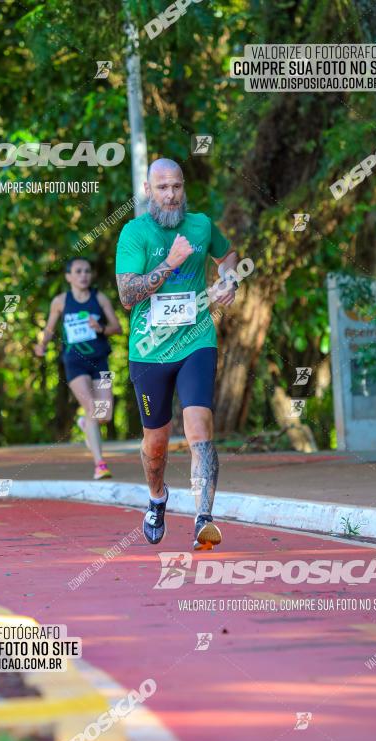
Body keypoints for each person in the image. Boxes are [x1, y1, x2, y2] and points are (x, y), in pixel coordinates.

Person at [115, 157, 239, 550]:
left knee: (200, 427)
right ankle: (157, 499)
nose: (171, 195)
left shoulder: (200, 225)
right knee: (156, 442)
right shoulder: (135, 234)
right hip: (149, 352)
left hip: (196, 341)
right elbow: (126, 295)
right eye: (163, 188)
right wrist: (170, 263)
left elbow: (228, 254)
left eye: (177, 187)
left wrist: (228, 278)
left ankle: (204, 518)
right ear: (149, 191)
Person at [35, 257, 122, 479]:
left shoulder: (99, 298)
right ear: (68, 277)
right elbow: (49, 329)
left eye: (86, 271)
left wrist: (100, 327)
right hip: (75, 362)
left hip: (100, 362)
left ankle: (85, 423)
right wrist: (42, 345)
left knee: (104, 415)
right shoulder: (61, 301)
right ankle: (100, 465)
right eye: (78, 271)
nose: (83, 275)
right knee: (93, 407)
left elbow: (117, 328)